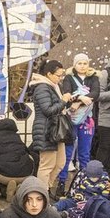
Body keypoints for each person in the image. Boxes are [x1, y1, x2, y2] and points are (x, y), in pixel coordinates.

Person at [57, 54, 100, 191]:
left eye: (85, 63)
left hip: (87, 120)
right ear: (74, 65)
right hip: (71, 120)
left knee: (84, 153)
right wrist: (81, 97)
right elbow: (67, 94)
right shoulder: (69, 78)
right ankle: (61, 183)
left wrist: (79, 101)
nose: (82, 66)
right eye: (79, 63)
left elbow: (96, 93)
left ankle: (84, 183)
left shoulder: (94, 78)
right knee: (67, 153)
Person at [30, 59, 74, 193]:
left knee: (60, 163)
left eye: (62, 76)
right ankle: (41, 194)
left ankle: (46, 188)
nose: (60, 79)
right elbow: (48, 110)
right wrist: (63, 100)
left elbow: (56, 107)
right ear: (49, 74)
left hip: (55, 131)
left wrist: (67, 102)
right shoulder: (42, 87)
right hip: (46, 131)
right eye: (58, 75)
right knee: (46, 165)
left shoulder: (52, 86)